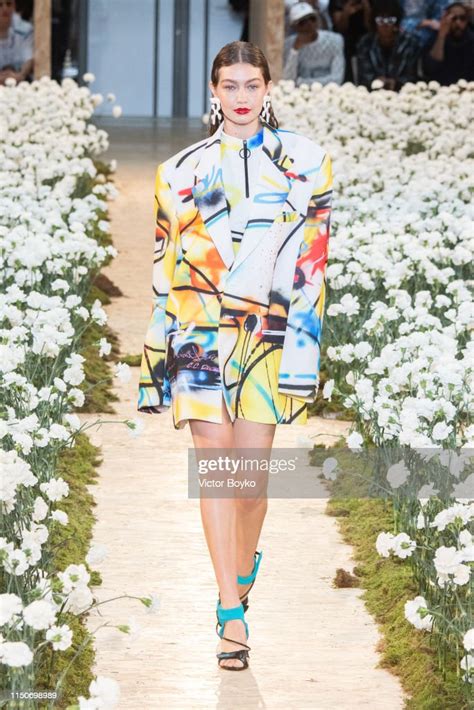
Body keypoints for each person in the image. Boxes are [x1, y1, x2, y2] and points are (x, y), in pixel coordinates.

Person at [137, 40, 333, 670]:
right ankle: (230, 612)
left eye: (252, 84)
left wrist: (305, 358)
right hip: (197, 330)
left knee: (248, 480)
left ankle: (244, 565)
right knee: (215, 470)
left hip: (267, 335)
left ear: (268, 88)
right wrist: (155, 363)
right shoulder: (179, 172)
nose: (241, 96)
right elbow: (163, 267)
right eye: (230, 85)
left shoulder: (306, 164)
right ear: (214, 93)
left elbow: (313, 267)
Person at [356, 0, 422, 89]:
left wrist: (396, 83)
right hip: (372, 93)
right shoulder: (365, 43)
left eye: (390, 20)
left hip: (403, 93)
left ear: (397, 23)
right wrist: (375, 81)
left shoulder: (410, 43)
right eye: (380, 20)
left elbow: (413, 76)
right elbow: (363, 76)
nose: (385, 25)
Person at [283, 1, 345, 85]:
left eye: (312, 18)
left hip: (329, 92)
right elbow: (288, 81)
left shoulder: (335, 41)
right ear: (294, 27)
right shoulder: (288, 44)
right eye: (302, 22)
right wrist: (295, 50)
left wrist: (301, 82)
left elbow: (337, 78)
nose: (309, 24)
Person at [422, 2, 474, 83]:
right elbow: (430, 68)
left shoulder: (471, 39)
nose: (458, 22)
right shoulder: (436, 37)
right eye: (454, 18)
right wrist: (441, 36)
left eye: (462, 18)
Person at [329, 0, 373, 81]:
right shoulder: (336, 2)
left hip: (367, 42)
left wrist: (366, 6)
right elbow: (340, 28)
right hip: (345, 43)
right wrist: (347, 10)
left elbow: (371, 27)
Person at [0, 0, 33, 85]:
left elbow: (28, 58)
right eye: (0, 4)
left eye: (8, 4)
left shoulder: (26, 29)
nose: (5, 8)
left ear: (14, 6)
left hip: (19, 82)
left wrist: (21, 75)